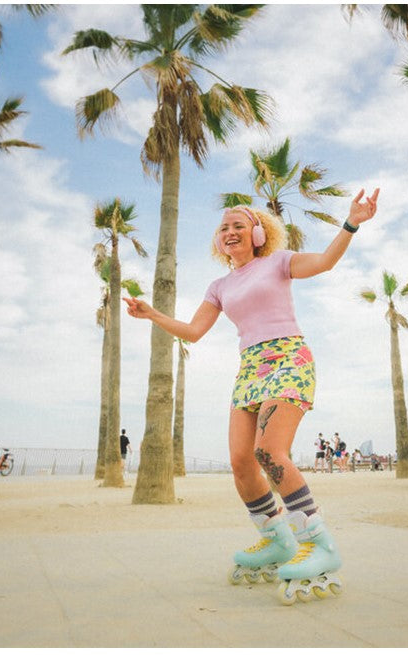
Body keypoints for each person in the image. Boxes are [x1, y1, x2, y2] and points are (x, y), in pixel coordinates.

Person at [124, 188, 379, 605]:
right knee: (241, 462)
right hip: (250, 370)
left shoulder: (279, 263)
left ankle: (318, 543)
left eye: (238, 225)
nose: (230, 231)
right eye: (224, 227)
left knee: (269, 452)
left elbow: (326, 261)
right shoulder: (219, 286)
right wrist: (152, 313)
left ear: (258, 233)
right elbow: (193, 331)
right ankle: (276, 539)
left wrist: (351, 222)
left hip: (288, 359)